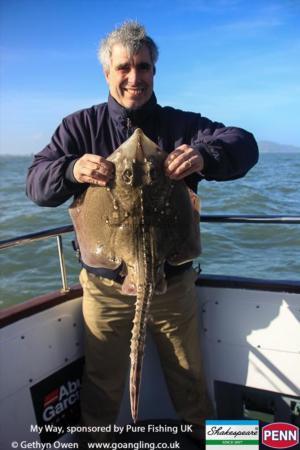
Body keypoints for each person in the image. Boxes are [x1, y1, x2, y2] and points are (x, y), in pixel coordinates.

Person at [26, 21, 259, 444]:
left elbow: (245, 144)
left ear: (154, 71)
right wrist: (69, 168)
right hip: (106, 287)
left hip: (172, 281)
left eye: (144, 67)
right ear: (108, 73)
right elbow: (36, 182)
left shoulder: (180, 125)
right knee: (101, 385)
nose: (135, 77)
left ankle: (222, 443)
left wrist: (205, 155)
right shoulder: (80, 127)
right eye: (125, 68)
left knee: (191, 383)